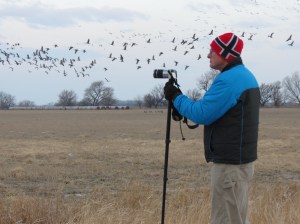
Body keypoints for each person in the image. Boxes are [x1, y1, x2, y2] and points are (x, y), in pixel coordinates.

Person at [164, 32, 260, 224]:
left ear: (225, 54)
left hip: (230, 165)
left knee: (225, 220)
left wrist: (176, 97)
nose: (208, 55)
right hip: (239, 161)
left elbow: (202, 114)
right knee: (237, 218)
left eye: (212, 51)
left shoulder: (229, 80)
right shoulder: (244, 76)